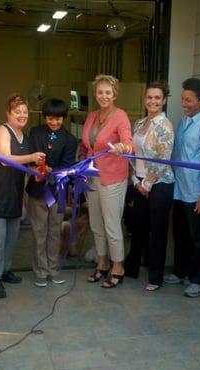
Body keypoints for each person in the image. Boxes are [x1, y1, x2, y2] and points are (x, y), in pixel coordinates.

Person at [0, 94, 45, 298]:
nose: (22, 115)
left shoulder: (25, 137)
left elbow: (25, 169)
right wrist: (32, 157)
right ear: (8, 113)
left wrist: (24, 194)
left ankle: (4, 271)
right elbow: (5, 160)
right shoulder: (1, 130)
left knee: (11, 239)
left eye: (25, 112)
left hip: (13, 195)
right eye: (17, 112)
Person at [79, 74, 133, 288]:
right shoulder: (92, 115)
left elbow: (128, 142)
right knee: (96, 224)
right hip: (92, 176)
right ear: (95, 93)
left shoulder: (120, 116)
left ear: (114, 94)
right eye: (100, 92)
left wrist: (123, 147)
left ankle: (118, 265)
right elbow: (87, 145)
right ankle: (101, 262)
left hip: (113, 178)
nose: (103, 96)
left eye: (107, 93)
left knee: (111, 224)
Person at [168, 78, 200, 297]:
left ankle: (198, 280)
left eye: (188, 100)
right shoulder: (184, 121)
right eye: (182, 99)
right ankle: (181, 272)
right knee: (181, 234)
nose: (184, 103)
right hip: (180, 189)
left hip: (198, 192)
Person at [123, 81, 174, 291]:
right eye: (149, 97)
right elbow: (133, 155)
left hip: (159, 185)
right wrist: (136, 180)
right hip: (138, 183)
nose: (152, 101)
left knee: (157, 232)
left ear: (163, 101)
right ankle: (132, 268)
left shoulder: (165, 126)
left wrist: (147, 183)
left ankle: (155, 277)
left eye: (157, 98)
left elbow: (164, 159)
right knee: (137, 227)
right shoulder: (139, 123)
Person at [26, 98, 77, 287]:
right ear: (44, 117)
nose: (54, 122)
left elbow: (68, 165)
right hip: (37, 190)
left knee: (55, 232)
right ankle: (40, 271)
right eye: (50, 118)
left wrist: (51, 170)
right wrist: (37, 166)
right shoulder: (35, 132)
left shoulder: (70, 139)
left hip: (58, 191)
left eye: (58, 119)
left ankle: (53, 270)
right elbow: (30, 157)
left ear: (64, 117)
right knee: (39, 232)